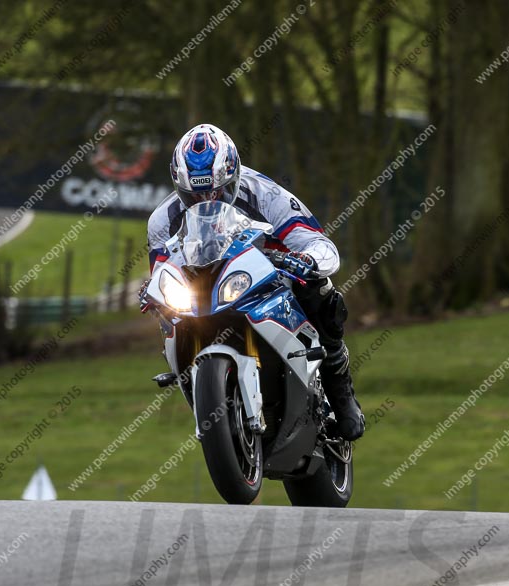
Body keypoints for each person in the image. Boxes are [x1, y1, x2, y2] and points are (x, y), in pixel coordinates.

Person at [143, 123, 365, 441]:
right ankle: (206, 397)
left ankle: (341, 392)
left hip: (270, 275)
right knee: (167, 315)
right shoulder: (162, 220)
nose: (207, 199)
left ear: (234, 177)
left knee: (322, 291)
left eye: (217, 191)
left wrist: (306, 260)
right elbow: (162, 271)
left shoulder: (267, 194)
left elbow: (320, 244)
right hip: (203, 289)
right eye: (195, 195)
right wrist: (151, 293)